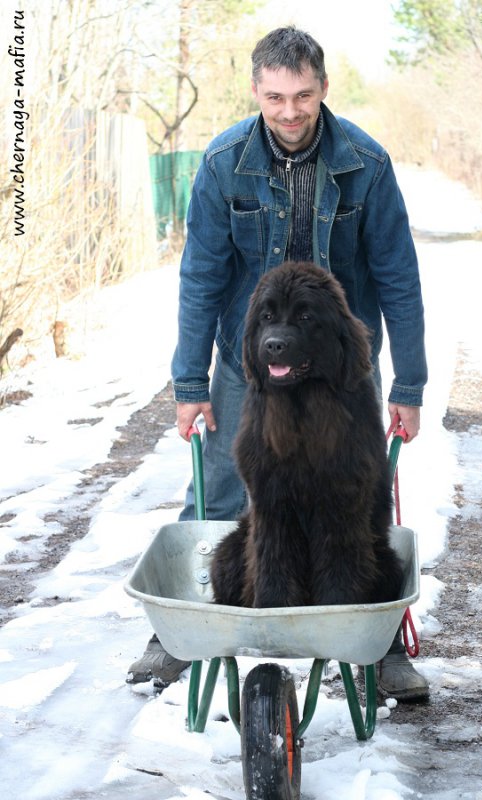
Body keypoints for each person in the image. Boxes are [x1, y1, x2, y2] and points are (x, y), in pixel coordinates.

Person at [127, 26, 429, 701]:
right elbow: (201, 277)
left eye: (302, 96)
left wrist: (409, 383)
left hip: (341, 367)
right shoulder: (223, 163)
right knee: (222, 491)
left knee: (361, 499)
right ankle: (183, 632)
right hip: (253, 364)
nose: (290, 112)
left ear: (323, 88)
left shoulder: (366, 163)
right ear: (255, 91)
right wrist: (189, 383)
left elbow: (398, 276)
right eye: (275, 98)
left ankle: (377, 643)